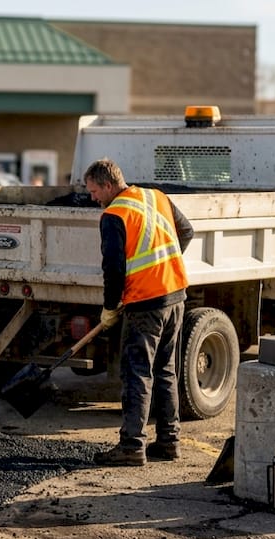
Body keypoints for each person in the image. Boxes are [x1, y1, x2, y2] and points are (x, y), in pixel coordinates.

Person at [83, 157, 194, 467]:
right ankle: (169, 442)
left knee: (137, 373)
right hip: (175, 294)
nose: (93, 198)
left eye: (94, 191)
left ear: (107, 185)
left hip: (146, 303)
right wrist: (162, 266)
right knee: (165, 371)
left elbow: (113, 270)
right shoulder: (155, 196)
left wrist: (109, 307)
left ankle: (132, 446)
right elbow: (187, 231)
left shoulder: (114, 215)